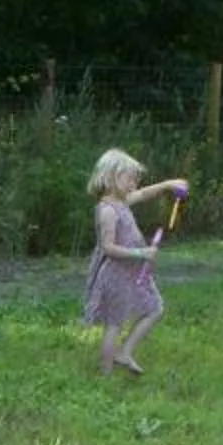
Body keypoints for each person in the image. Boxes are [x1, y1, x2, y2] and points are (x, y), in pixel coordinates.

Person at [82, 149, 187, 376]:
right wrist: (141, 253)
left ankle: (125, 352)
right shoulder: (107, 211)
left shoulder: (122, 201)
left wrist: (168, 184)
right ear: (111, 178)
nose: (134, 184)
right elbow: (108, 248)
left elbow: (145, 193)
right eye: (129, 178)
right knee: (115, 323)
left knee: (154, 308)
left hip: (133, 272)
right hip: (115, 274)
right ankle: (105, 375)